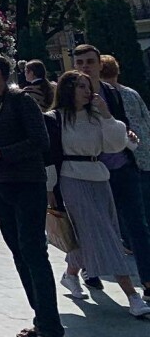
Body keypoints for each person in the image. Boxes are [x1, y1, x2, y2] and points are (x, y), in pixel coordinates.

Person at [0, 52, 64, 337]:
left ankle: (52, 332)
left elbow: (40, 142)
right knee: (19, 252)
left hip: (26, 184)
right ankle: (41, 318)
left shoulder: (21, 101)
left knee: (33, 251)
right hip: (1, 185)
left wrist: (1, 154)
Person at [46, 70, 150, 317]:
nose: (86, 90)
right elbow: (48, 156)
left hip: (100, 176)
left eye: (87, 85)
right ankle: (132, 295)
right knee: (105, 234)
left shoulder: (95, 116)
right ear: (68, 89)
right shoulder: (55, 118)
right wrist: (50, 189)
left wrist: (106, 115)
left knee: (93, 231)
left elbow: (114, 144)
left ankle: (71, 273)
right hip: (73, 178)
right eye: (80, 86)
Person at [72, 44, 150, 294]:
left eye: (90, 62)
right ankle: (89, 270)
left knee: (137, 225)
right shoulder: (71, 94)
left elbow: (123, 124)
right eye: (80, 62)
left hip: (122, 167)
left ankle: (147, 281)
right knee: (96, 226)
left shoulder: (111, 92)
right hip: (90, 172)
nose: (85, 66)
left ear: (98, 64)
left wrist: (127, 137)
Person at [101, 54, 150, 302]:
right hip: (143, 158)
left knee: (124, 218)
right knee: (141, 216)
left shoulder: (106, 98)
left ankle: (127, 246)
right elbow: (146, 121)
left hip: (121, 162)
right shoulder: (131, 93)